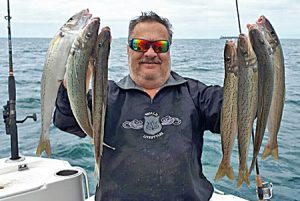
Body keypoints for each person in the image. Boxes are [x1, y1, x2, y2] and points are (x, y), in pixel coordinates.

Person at [53, 11, 223, 201]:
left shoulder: (195, 93)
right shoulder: (106, 96)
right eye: (140, 45)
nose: (150, 53)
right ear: (128, 49)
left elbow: (237, 111)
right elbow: (66, 121)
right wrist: (75, 79)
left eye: (160, 46)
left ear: (169, 51)